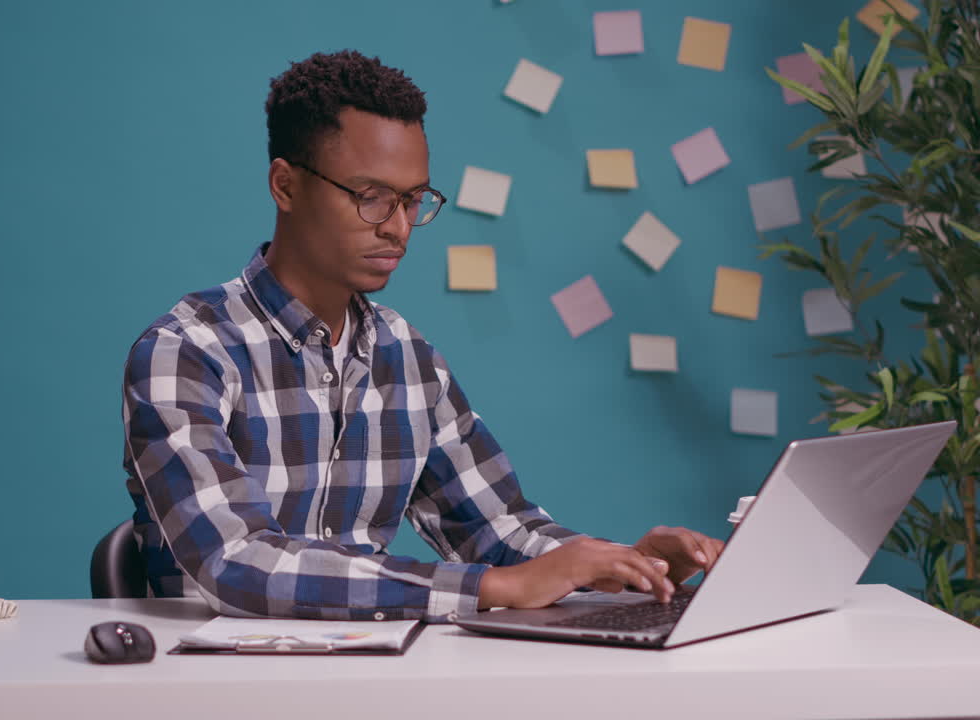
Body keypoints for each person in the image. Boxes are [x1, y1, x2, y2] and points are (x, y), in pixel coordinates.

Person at [121, 49, 724, 622]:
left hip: (377, 669)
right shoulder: (187, 351)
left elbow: (497, 529)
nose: (399, 228)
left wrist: (620, 565)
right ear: (285, 185)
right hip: (214, 680)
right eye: (371, 197)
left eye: (413, 200)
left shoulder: (405, 356)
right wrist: (495, 587)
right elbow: (234, 563)